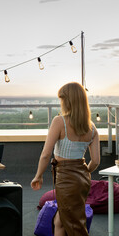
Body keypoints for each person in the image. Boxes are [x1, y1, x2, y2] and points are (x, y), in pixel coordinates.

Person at [31, 82, 100, 236]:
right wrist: (82, 173)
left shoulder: (59, 121)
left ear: (67, 101)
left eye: (62, 99)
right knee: (60, 220)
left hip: (66, 178)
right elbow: (95, 161)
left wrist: (38, 175)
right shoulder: (93, 128)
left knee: (75, 225)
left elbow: (45, 154)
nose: (60, 103)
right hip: (82, 177)